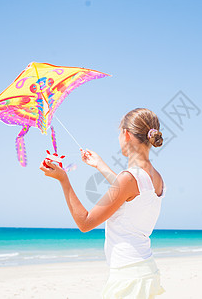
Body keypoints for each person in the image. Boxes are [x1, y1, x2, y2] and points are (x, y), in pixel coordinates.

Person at [40, 108, 166, 299]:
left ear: (126, 134)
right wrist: (99, 164)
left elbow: (85, 222)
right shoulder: (156, 177)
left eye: (119, 133)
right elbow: (129, 195)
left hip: (127, 276)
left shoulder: (129, 178)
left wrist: (63, 180)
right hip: (146, 270)